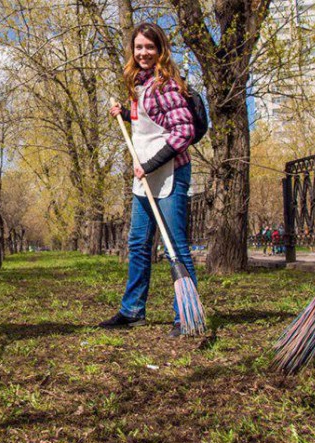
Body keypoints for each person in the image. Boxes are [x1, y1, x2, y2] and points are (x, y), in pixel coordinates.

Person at [99, 22, 198, 338]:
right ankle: (132, 311)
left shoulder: (167, 85)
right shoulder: (139, 84)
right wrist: (125, 114)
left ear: (160, 50)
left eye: (149, 47)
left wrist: (151, 164)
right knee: (138, 243)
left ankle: (186, 315)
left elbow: (184, 132)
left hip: (169, 173)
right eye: (138, 47)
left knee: (175, 245)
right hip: (145, 176)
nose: (143, 53)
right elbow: (151, 122)